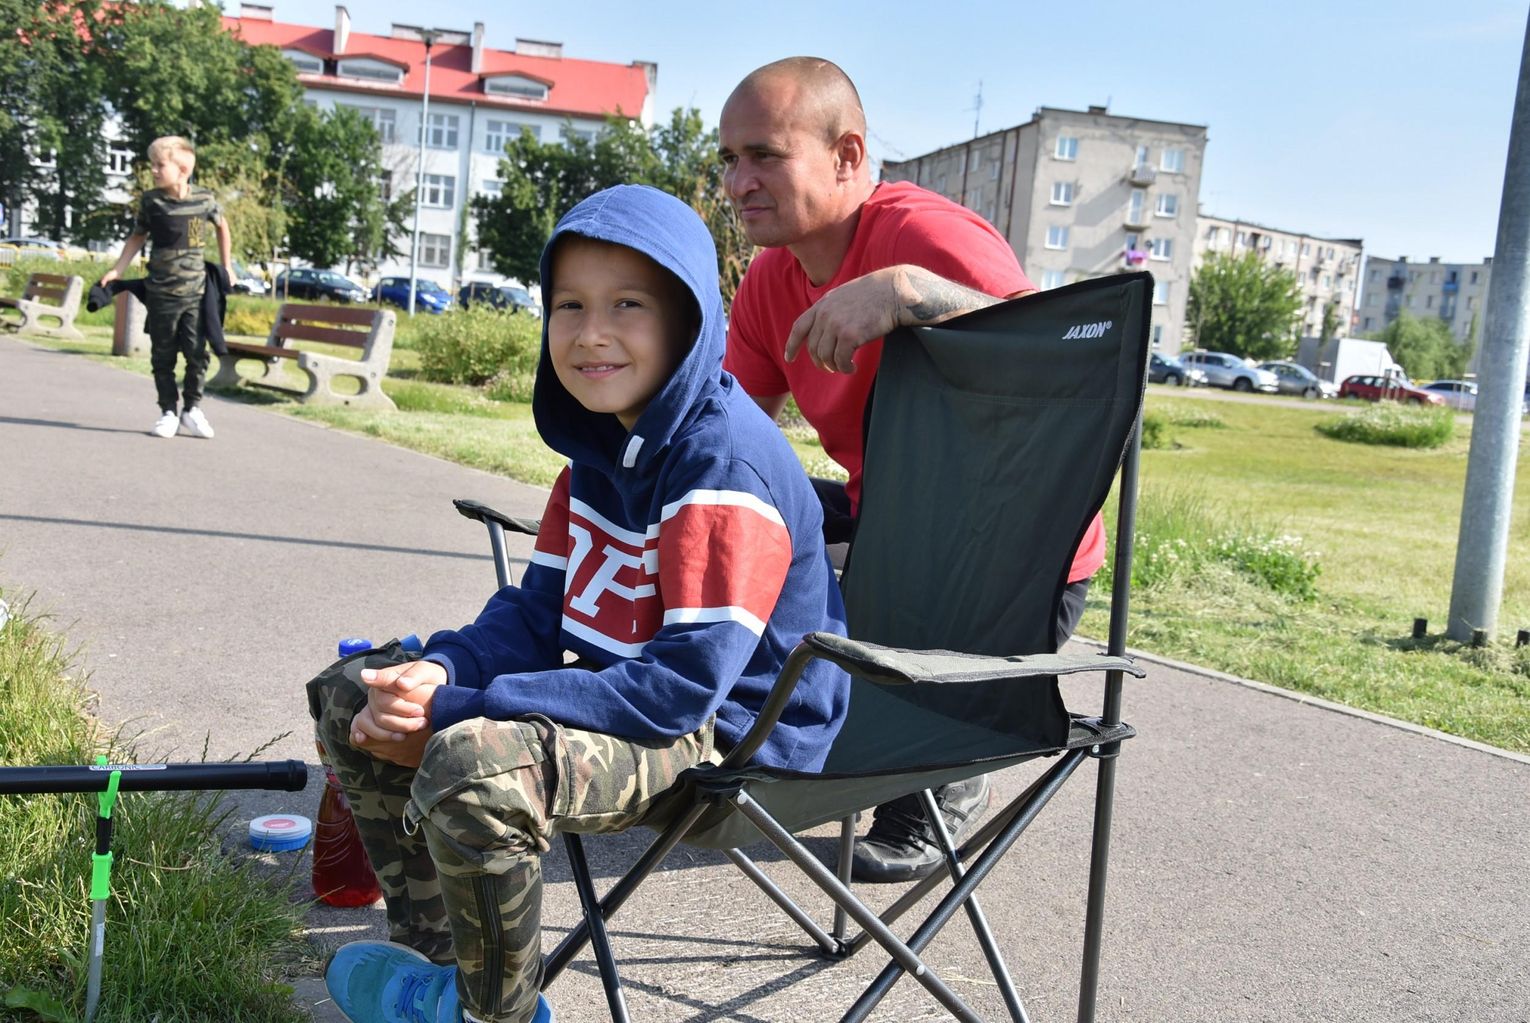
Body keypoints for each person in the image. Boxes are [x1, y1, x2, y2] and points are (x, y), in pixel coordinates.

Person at [312, 184, 851, 1023]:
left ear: (689, 322)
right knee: (356, 690)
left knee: (472, 765)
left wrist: (459, 709)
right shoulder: (598, 451)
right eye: (570, 305)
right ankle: (443, 962)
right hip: (635, 705)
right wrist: (441, 669)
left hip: (733, 739)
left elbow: (679, 690)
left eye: (627, 304)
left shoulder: (724, 467)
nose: (592, 332)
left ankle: (493, 1013)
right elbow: (538, 614)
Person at [719, 57, 1106, 883]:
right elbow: (724, 432)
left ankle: (934, 783)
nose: (738, 182)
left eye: (764, 156)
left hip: (1013, 565)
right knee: (726, 505)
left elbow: (1076, 364)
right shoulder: (769, 279)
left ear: (847, 156)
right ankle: (691, 719)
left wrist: (910, 292)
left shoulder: (926, 239)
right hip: (893, 524)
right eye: (729, 160)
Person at [101, 136, 231, 439]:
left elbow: (222, 226)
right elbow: (137, 237)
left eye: (160, 165)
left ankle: (192, 409)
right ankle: (168, 412)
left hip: (197, 293)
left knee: (197, 354)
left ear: (183, 169)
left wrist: (227, 266)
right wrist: (117, 270)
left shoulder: (204, 199)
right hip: (161, 293)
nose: (154, 170)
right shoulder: (151, 202)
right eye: (153, 165)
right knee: (163, 356)